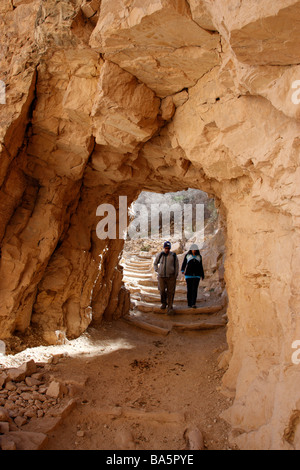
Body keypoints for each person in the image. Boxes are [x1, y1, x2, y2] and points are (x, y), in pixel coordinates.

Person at [154, 241, 179, 314]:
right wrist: (157, 270)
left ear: (170, 248)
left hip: (171, 277)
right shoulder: (160, 255)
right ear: (164, 248)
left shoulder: (173, 255)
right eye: (166, 248)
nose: (167, 249)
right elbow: (155, 263)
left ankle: (170, 307)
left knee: (170, 292)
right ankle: (164, 303)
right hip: (161, 277)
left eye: (168, 248)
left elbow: (176, 266)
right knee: (162, 290)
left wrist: (175, 275)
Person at [181, 244, 204, 308]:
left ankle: (193, 303)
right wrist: (182, 270)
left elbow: (201, 266)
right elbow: (184, 263)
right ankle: (189, 303)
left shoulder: (199, 257)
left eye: (195, 249)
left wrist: (202, 274)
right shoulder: (187, 256)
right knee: (189, 289)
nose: (194, 251)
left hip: (197, 275)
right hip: (188, 275)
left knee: (195, 289)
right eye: (193, 249)